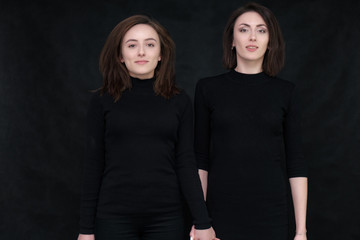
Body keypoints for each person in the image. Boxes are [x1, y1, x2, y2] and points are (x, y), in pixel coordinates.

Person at [78, 15, 217, 240]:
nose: (141, 52)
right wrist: (85, 230)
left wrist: (203, 221)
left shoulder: (179, 101)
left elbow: (185, 163)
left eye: (150, 44)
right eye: (132, 45)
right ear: (120, 56)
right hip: (113, 217)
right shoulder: (102, 101)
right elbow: (93, 165)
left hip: (166, 217)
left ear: (161, 54)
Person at [194, 2, 308, 240]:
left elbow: (296, 163)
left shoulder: (286, 92)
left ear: (270, 41)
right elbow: (200, 160)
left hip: (271, 213)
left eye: (262, 30)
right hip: (220, 212)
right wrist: (199, 221)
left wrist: (301, 231)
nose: (253, 36)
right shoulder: (208, 88)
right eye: (244, 29)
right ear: (232, 41)